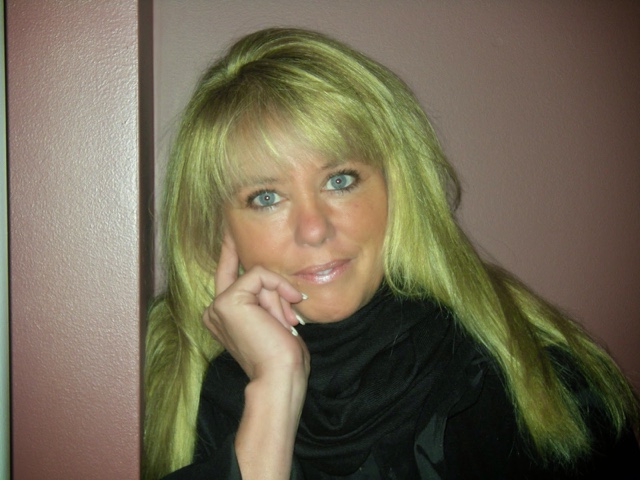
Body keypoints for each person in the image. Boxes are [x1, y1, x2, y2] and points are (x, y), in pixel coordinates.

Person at [143, 27, 639, 479]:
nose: (314, 229)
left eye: (340, 180)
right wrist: (274, 390)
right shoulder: (165, 389)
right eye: (266, 197)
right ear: (218, 228)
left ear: (396, 189)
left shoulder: (530, 376)